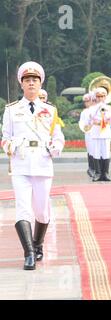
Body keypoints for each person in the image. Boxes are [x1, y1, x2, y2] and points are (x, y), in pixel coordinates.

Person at [1, 61, 65, 270]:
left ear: (40, 84)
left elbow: (58, 136)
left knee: (42, 211)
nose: (31, 84)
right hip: (20, 164)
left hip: (42, 164)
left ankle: (38, 244)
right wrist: (11, 146)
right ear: (21, 84)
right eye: (27, 80)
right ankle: (28, 253)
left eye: (34, 81)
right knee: (23, 208)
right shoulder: (11, 110)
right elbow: (5, 138)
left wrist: (54, 147)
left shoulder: (50, 110)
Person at [87, 87, 111, 182]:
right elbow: (90, 121)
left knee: (106, 153)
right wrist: (98, 120)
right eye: (98, 96)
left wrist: (105, 120)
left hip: (106, 133)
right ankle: (98, 173)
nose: (100, 98)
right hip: (95, 133)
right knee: (96, 153)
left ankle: (105, 173)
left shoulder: (109, 108)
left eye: (102, 96)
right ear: (96, 97)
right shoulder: (92, 108)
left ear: (105, 97)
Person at [79, 93, 96, 178]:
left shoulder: (96, 110)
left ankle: (98, 169)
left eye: (88, 101)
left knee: (96, 151)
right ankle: (91, 168)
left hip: (96, 133)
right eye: (85, 101)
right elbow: (81, 123)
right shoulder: (84, 112)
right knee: (90, 151)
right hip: (88, 133)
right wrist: (85, 128)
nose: (86, 103)